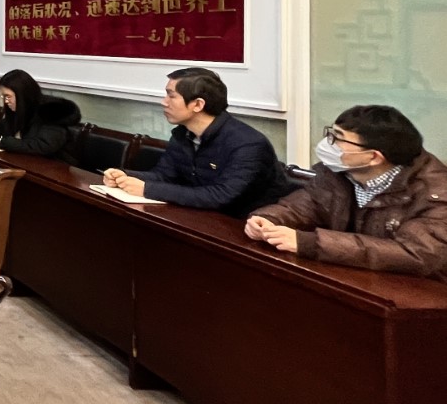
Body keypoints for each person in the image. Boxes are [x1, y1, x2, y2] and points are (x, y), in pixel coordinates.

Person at [246, 106, 447, 279]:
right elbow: (302, 206)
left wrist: (310, 243)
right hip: (355, 279)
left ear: (374, 157)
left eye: (338, 139)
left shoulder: (436, 192)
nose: (328, 144)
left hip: (420, 294)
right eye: (331, 134)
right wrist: (268, 219)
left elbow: (416, 253)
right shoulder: (338, 173)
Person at [101, 68, 292, 215]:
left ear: (198, 104)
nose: (164, 102)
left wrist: (146, 189)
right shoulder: (183, 134)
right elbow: (165, 175)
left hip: (246, 227)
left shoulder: (248, 144)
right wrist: (125, 176)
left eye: (171, 96)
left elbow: (220, 196)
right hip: (200, 218)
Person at [0, 68, 81, 165]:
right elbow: (2, 129)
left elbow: (42, 146)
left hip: (56, 170)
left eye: (8, 96)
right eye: (3, 97)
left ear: (22, 94)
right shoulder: (19, 111)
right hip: (27, 164)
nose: (6, 101)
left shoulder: (52, 111)